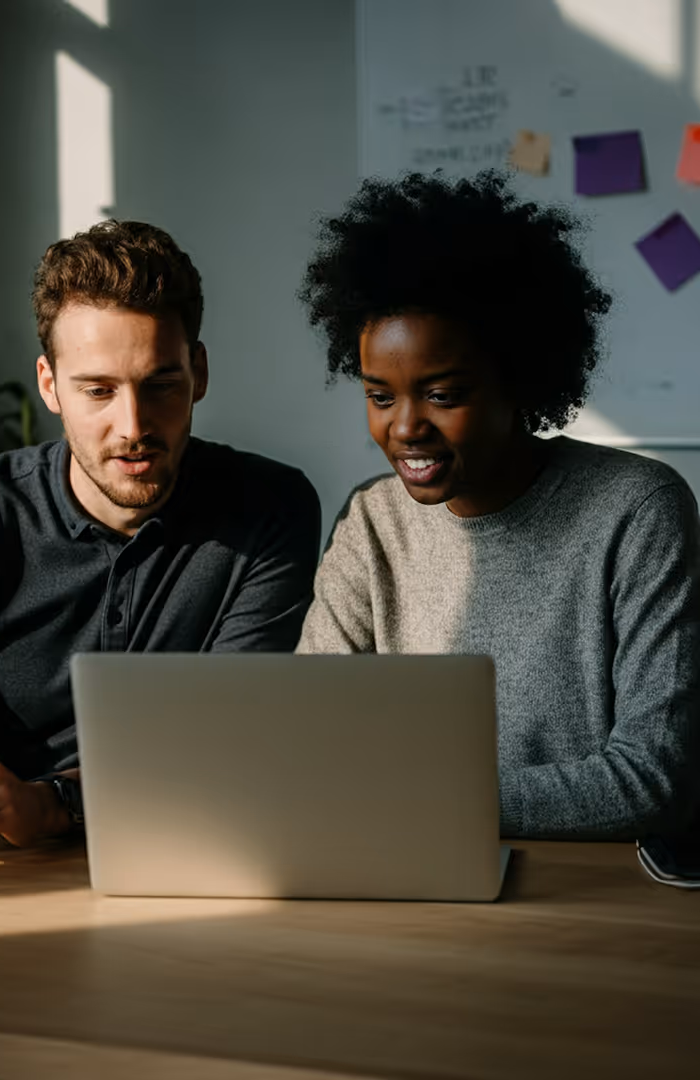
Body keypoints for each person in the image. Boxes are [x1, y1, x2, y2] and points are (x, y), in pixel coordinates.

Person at [0, 219, 321, 849]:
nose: (133, 426)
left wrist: (56, 803)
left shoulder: (270, 508)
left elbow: (232, 740)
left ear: (198, 371)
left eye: (161, 385)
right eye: (98, 391)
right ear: (49, 384)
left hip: (186, 847)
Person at [297, 170, 700, 840]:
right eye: (379, 395)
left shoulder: (636, 510)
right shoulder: (372, 522)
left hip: (591, 895)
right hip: (410, 869)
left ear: (521, 381)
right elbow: (307, 739)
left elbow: (654, 779)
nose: (404, 428)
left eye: (443, 394)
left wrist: (414, 803)